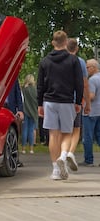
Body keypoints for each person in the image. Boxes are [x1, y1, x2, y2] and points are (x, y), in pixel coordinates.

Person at [37, 30, 83, 180]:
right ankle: (63, 155)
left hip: (49, 101)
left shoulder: (44, 61)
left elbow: (40, 85)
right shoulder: (73, 60)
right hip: (66, 101)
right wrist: (78, 102)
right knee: (67, 133)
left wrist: (39, 104)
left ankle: (55, 170)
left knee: (52, 135)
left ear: (53, 43)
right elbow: (79, 83)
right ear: (65, 43)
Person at [65, 38, 91, 171]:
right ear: (77, 48)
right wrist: (87, 102)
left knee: (62, 130)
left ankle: (62, 155)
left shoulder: (59, 60)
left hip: (60, 100)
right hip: (76, 101)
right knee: (76, 129)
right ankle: (70, 152)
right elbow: (85, 84)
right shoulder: (80, 62)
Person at [81, 59, 100, 167]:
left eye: (88, 67)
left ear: (94, 67)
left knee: (87, 137)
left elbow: (91, 96)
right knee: (99, 136)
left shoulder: (92, 80)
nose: (86, 70)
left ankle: (89, 160)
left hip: (91, 111)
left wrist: (83, 93)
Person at [5, 79, 24, 167]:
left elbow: (18, 94)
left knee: (13, 132)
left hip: (10, 108)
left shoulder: (13, 78)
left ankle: (15, 159)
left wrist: (20, 110)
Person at [21, 74, 38, 154]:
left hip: (25, 110)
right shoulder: (35, 89)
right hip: (33, 111)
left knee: (25, 130)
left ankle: (23, 149)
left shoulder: (24, 89)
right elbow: (37, 100)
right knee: (31, 130)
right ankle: (31, 149)